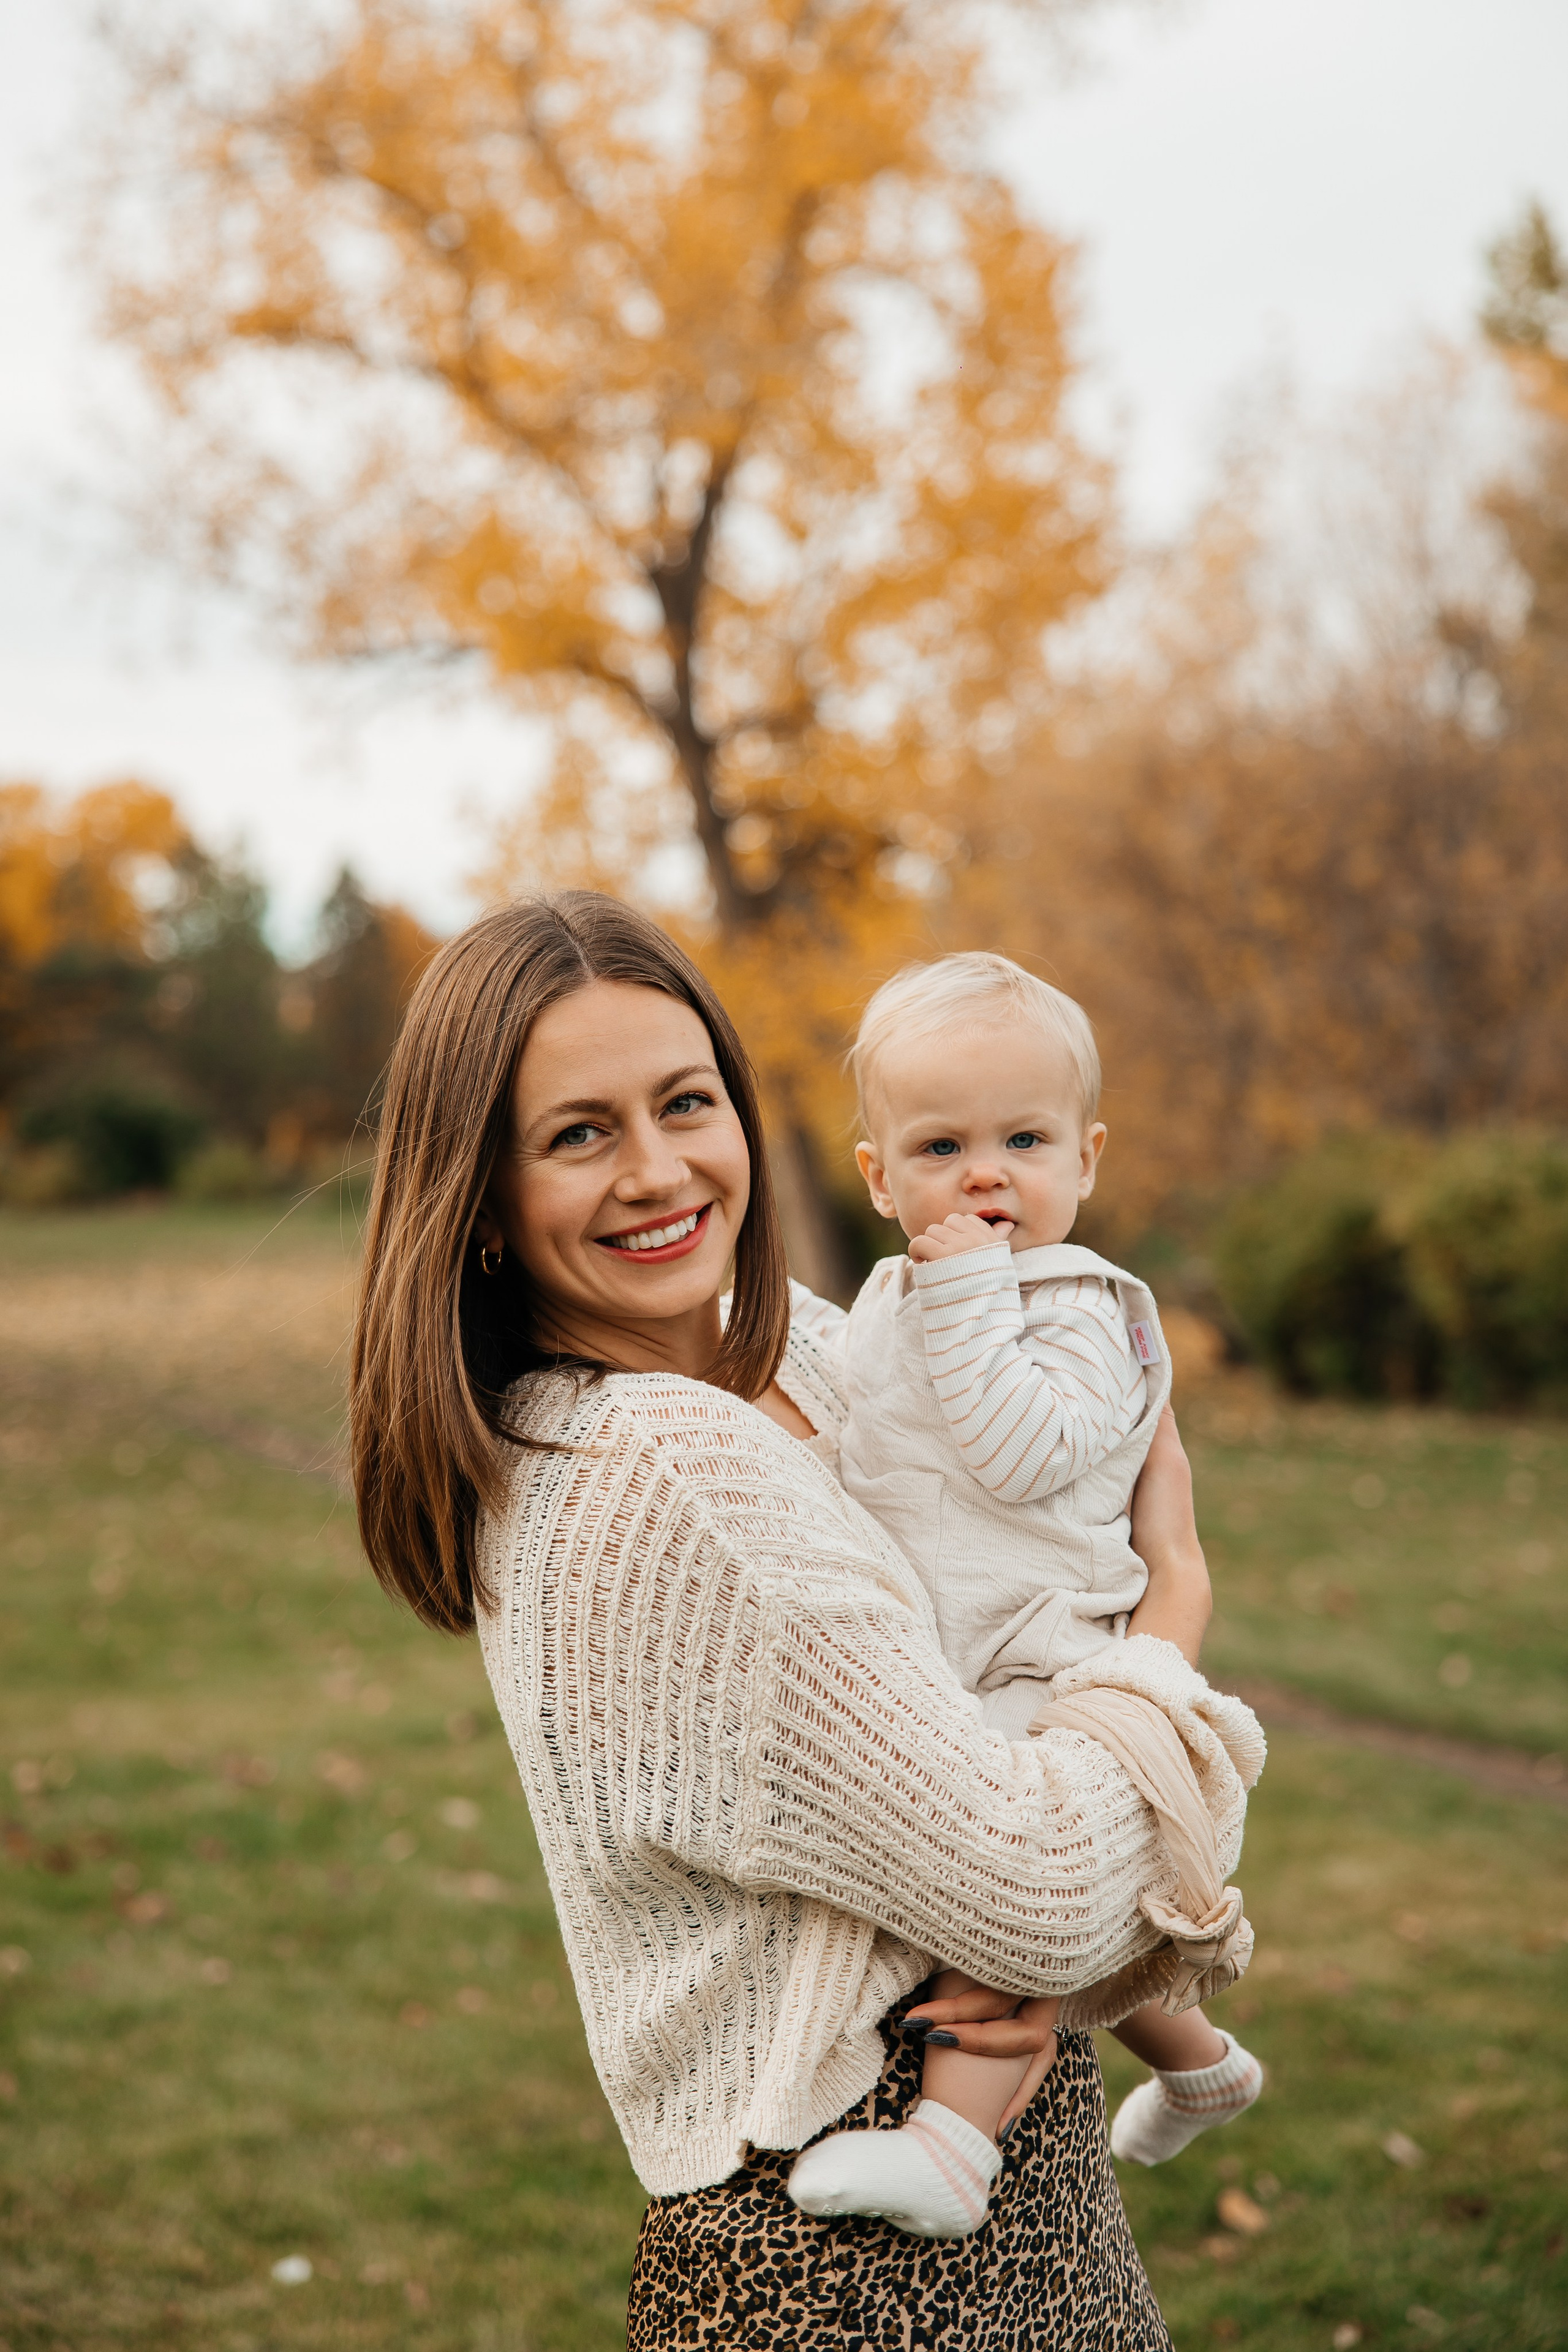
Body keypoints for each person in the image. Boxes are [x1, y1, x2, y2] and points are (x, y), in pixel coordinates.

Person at [350, 891, 1261, 2350]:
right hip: (848, 2277)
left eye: (685, 1102)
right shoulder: (664, 1468)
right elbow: (1039, 1892)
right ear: (481, 1204)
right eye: (578, 1133)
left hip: (1017, 2202)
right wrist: (1171, 1624)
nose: (659, 1173)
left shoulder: (807, 1347)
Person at [786, 954, 1262, 2242]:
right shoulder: (889, 1300)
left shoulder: (1079, 1306)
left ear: (1086, 1159)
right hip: (938, 1642)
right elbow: (865, 1450)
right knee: (1060, 1916)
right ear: (879, 1178)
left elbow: (1022, 1451)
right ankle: (1201, 2062)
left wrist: (965, 1292)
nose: (985, 1172)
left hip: (1037, 1652)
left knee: (998, 1884)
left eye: (1023, 1138)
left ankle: (950, 2144)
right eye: (941, 1144)